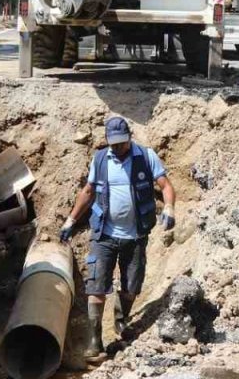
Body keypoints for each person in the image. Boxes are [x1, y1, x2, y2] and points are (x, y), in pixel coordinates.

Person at [59, 117, 176, 361]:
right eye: (112, 143)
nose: (116, 148)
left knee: (131, 286)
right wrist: (71, 220)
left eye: (121, 143)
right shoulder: (101, 159)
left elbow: (165, 186)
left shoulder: (145, 156)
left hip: (135, 236)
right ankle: (94, 341)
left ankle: (121, 321)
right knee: (96, 286)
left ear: (129, 137)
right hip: (104, 235)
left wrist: (169, 208)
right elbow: (88, 192)